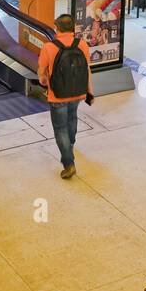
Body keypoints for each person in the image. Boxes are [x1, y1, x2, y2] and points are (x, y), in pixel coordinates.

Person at [37, 14, 94, 179]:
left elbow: (41, 71)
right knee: (72, 117)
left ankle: (69, 164)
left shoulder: (49, 47)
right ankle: (70, 145)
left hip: (58, 95)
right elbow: (87, 68)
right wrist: (89, 91)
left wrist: (43, 80)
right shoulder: (82, 44)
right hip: (78, 91)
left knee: (60, 128)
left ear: (57, 28)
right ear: (73, 28)